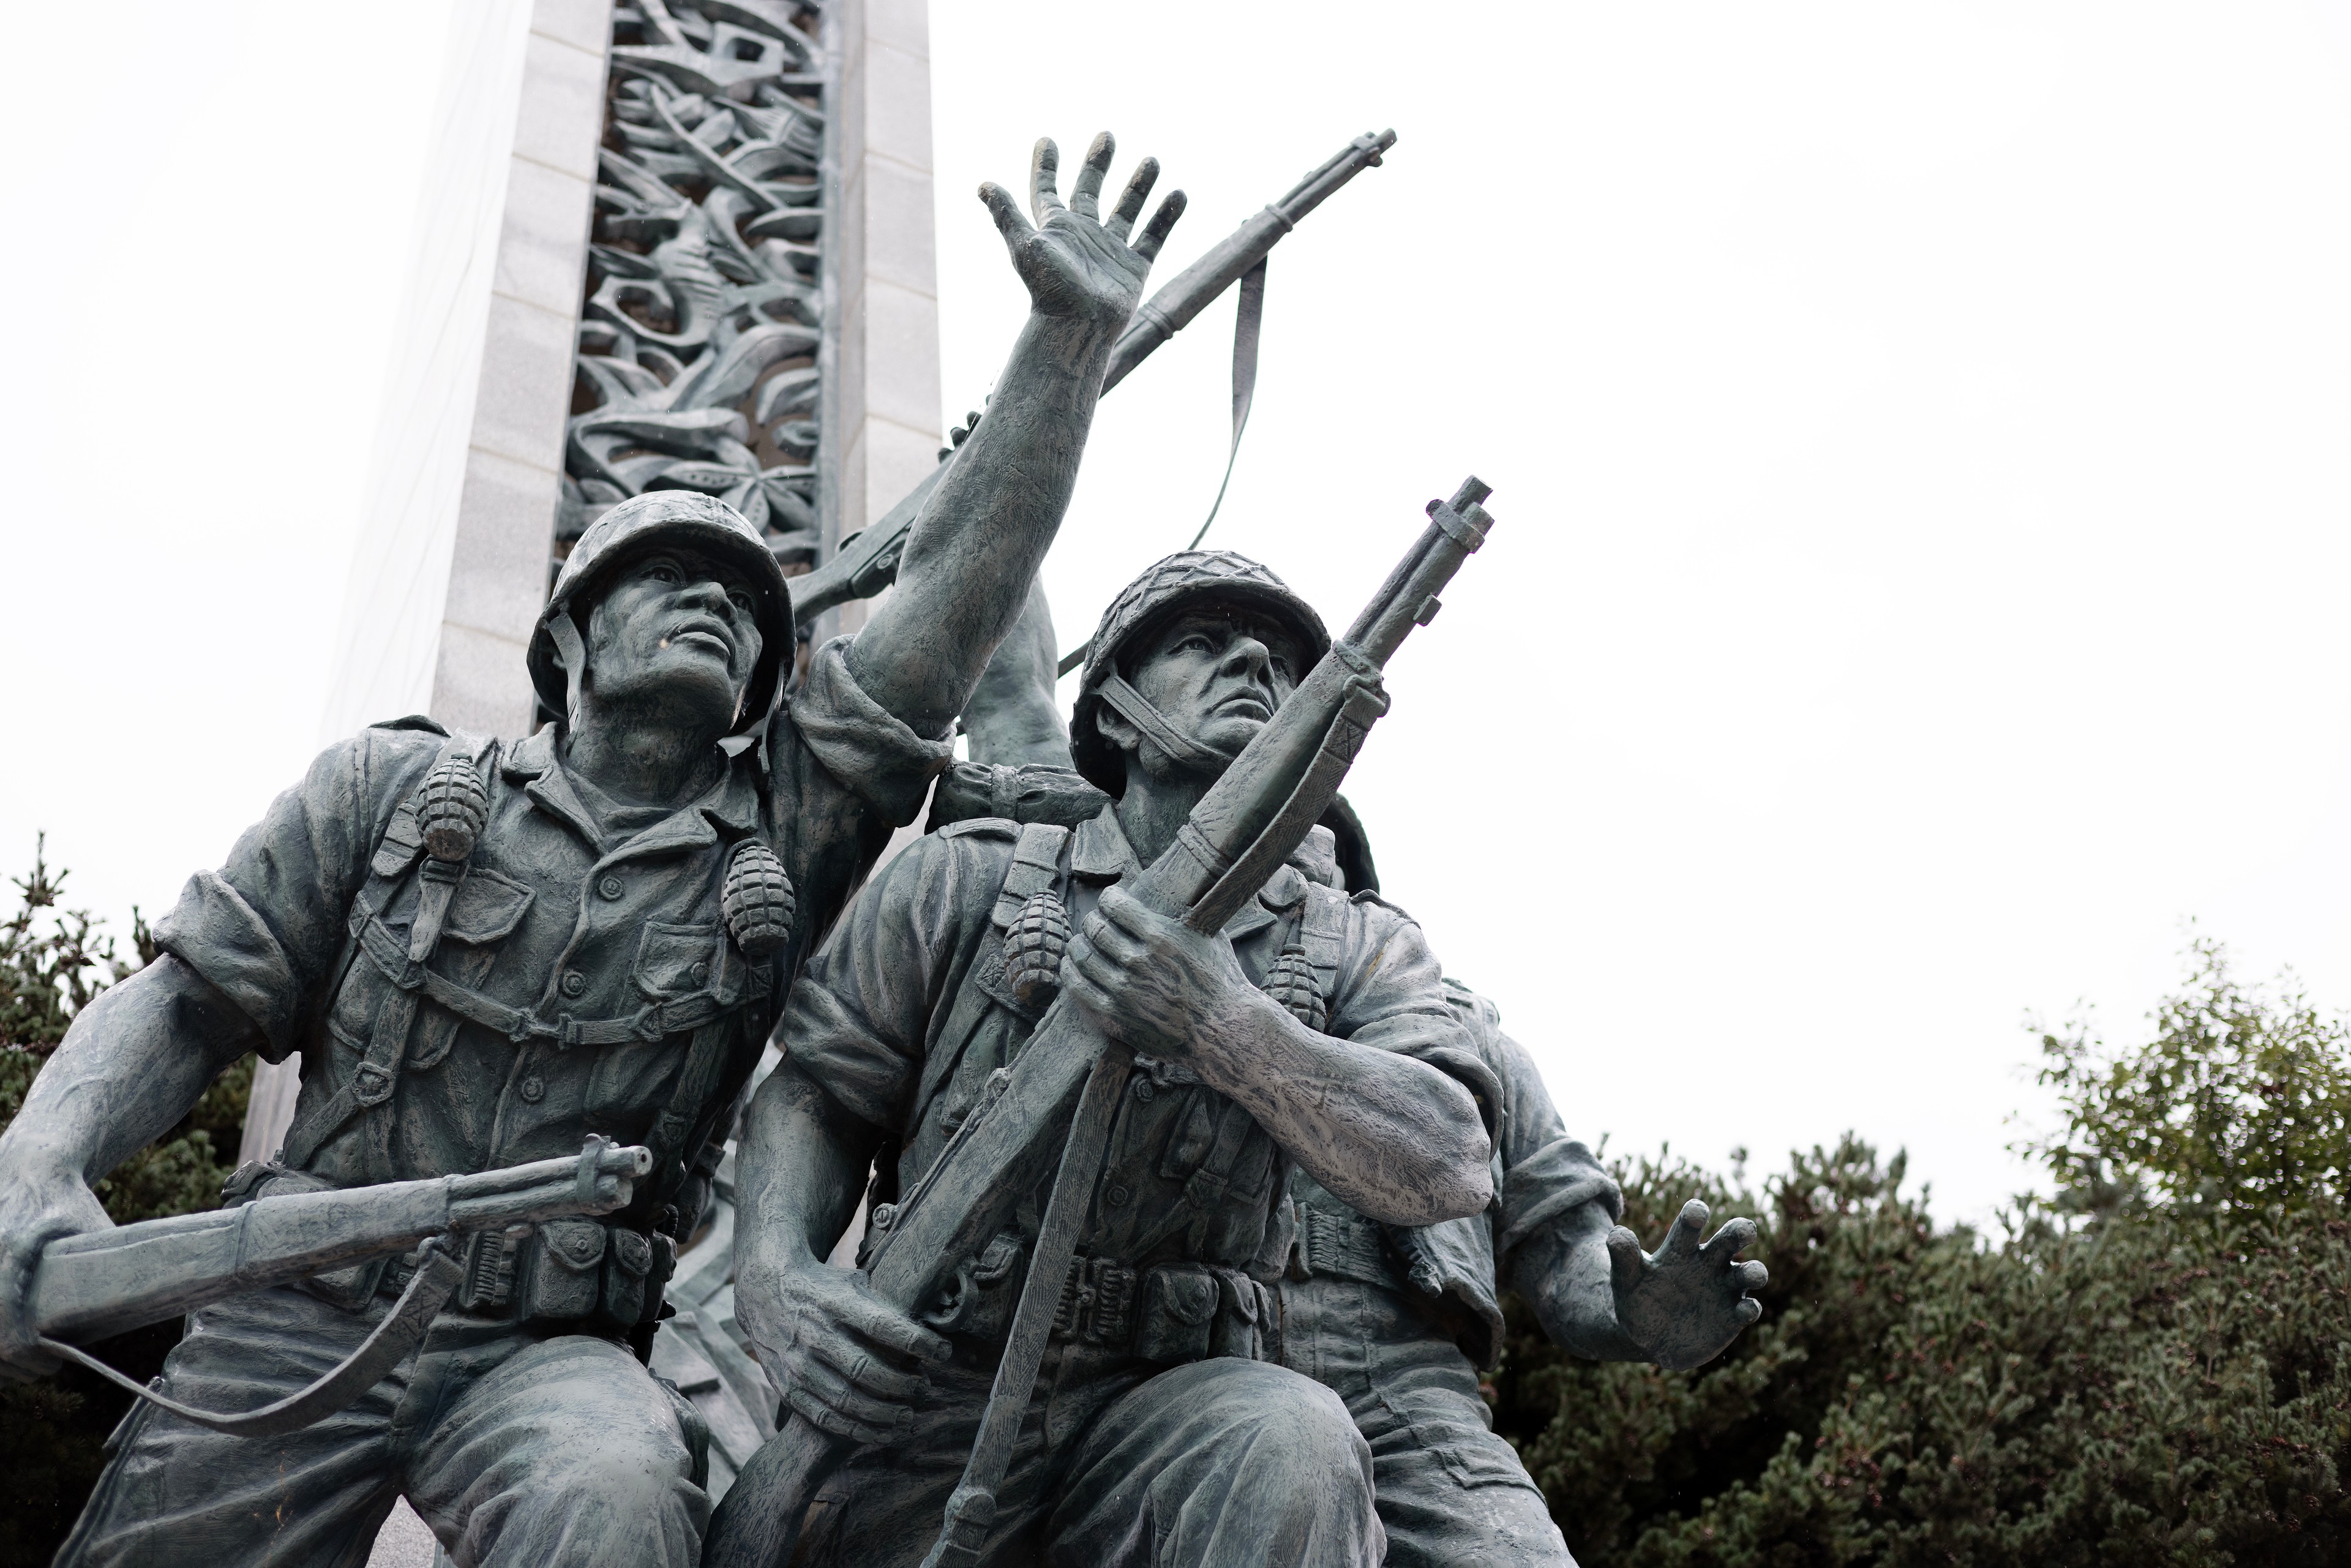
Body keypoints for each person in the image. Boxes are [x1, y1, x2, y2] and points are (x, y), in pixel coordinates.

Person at [0, 132, 1187, 1568]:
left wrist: (1063, 346)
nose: (719, 607)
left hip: (552, 1348)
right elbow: (190, 999)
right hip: (295, 1309)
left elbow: (957, 592)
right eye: (672, 582)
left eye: (747, 604)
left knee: (619, 1494)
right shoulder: (387, 787)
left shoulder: (786, 830)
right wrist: (43, 1154)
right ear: (566, 639)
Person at [943, 598, 1769, 1568]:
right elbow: (1030, 749)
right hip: (1167, 1365)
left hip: (1401, 1397)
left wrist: (1636, 1313)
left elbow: (1567, 1237)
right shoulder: (1135, 952)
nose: (1286, 869)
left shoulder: (1460, 1031)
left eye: (1311, 847)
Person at [733, 550, 1499, 1567]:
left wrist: (1229, 1026)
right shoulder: (968, 880)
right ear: (1116, 716)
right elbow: (820, 1095)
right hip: (932, 1385)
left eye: (1278, 663)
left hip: (1174, 1397)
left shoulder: (1356, 943)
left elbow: (1448, 1160)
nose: (1253, 669)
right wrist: (775, 1271)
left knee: (1294, 1443)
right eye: (1202, 644)